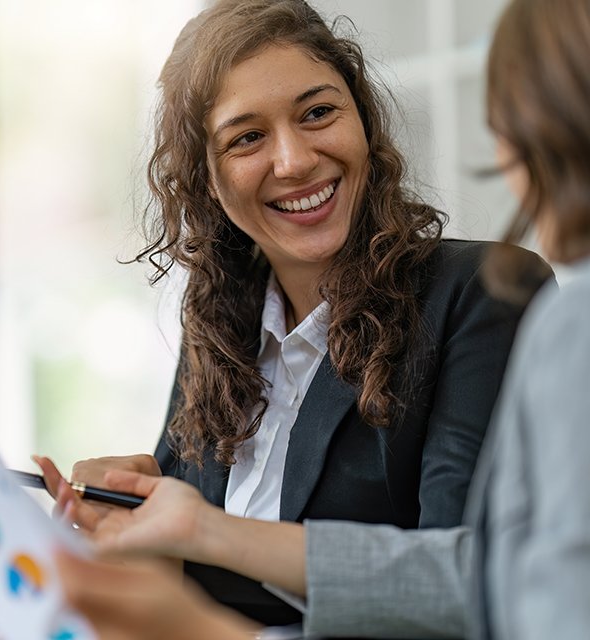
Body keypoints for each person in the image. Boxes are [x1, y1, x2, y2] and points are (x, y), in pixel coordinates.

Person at [52, 0, 590, 637]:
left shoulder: (480, 293)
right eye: (247, 137)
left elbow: (469, 584)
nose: (294, 160)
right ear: (206, 178)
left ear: (363, 122)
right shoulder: (220, 331)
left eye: (317, 113)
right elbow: (180, 582)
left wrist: (205, 532)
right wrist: (123, 517)